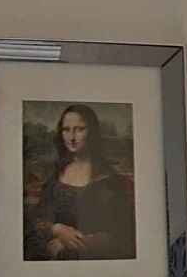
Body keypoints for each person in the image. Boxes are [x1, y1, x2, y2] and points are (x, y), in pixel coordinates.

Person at [26, 103, 136, 262]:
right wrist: (56, 229)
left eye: (79, 129)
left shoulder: (109, 180)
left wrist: (69, 244)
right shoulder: (56, 174)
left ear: (92, 132)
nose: (72, 137)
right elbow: (38, 218)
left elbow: (122, 235)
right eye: (66, 130)